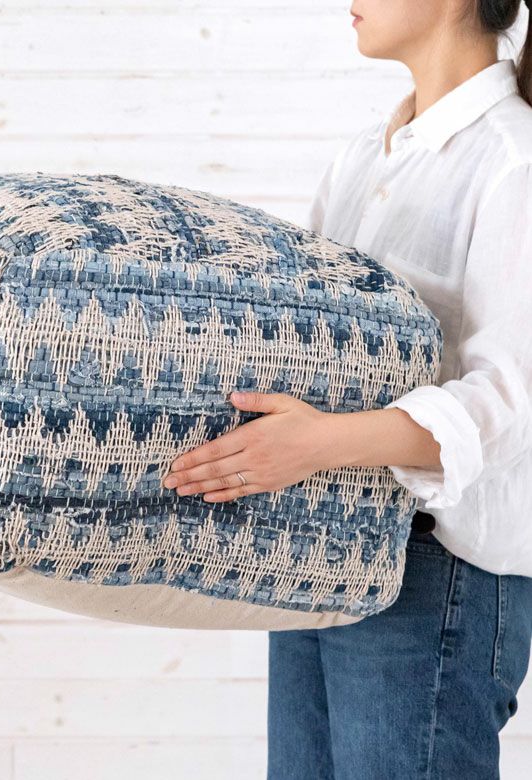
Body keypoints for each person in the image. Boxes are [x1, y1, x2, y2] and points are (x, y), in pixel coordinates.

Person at [159, 1, 532, 777]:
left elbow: (508, 404)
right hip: (322, 542)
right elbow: (312, 340)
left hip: (437, 573)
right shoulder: (368, 156)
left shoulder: (514, 162)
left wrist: (320, 443)